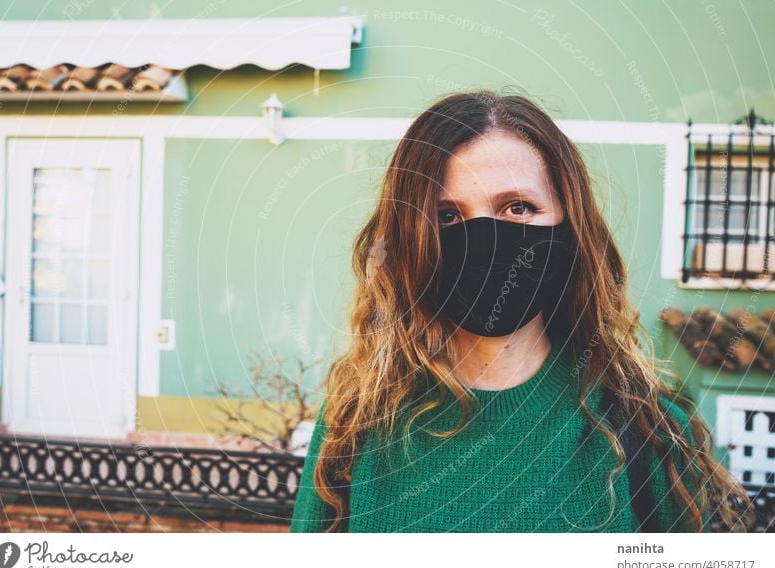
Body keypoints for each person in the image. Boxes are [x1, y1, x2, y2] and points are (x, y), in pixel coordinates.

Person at [289, 89, 752, 533]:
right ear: (412, 239)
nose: (486, 241)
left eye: (517, 207)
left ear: (570, 228)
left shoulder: (648, 432)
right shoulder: (359, 419)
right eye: (448, 216)